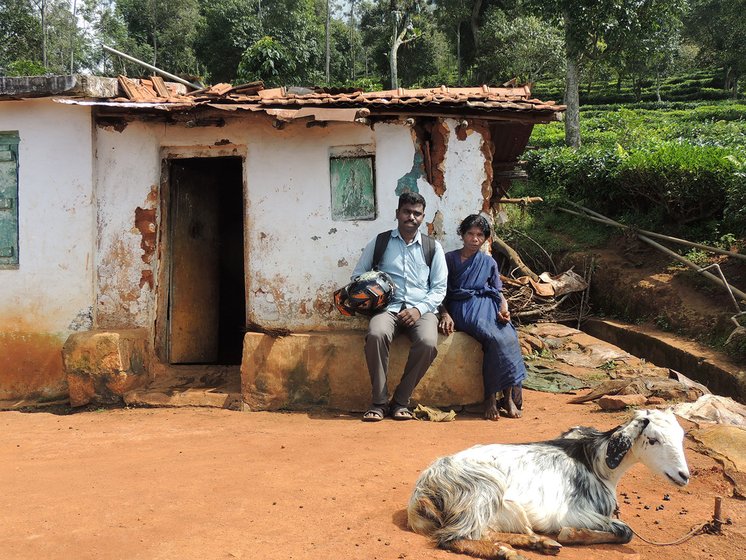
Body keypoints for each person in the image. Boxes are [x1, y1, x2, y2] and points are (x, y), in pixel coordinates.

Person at [352, 192, 447, 422]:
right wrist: (371, 293)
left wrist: (418, 309)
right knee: (376, 334)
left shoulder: (432, 248)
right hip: (388, 309)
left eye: (417, 213)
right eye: (407, 211)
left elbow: (439, 288)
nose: (411, 217)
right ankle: (379, 402)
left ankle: (401, 401)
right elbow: (358, 275)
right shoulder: (380, 242)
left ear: (423, 217)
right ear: (397, 213)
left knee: (427, 343)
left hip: (421, 310)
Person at [438, 214, 527, 421]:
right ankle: (490, 398)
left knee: (509, 336)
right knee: (493, 338)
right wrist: (444, 313)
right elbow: (439, 291)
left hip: (488, 305)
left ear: (486, 238)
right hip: (462, 305)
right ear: (462, 235)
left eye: (480, 235)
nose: (475, 239)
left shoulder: (488, 262)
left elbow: (498, 291)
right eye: (470, 233)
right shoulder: (449, 259)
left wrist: (505, 309)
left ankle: (508, 398)